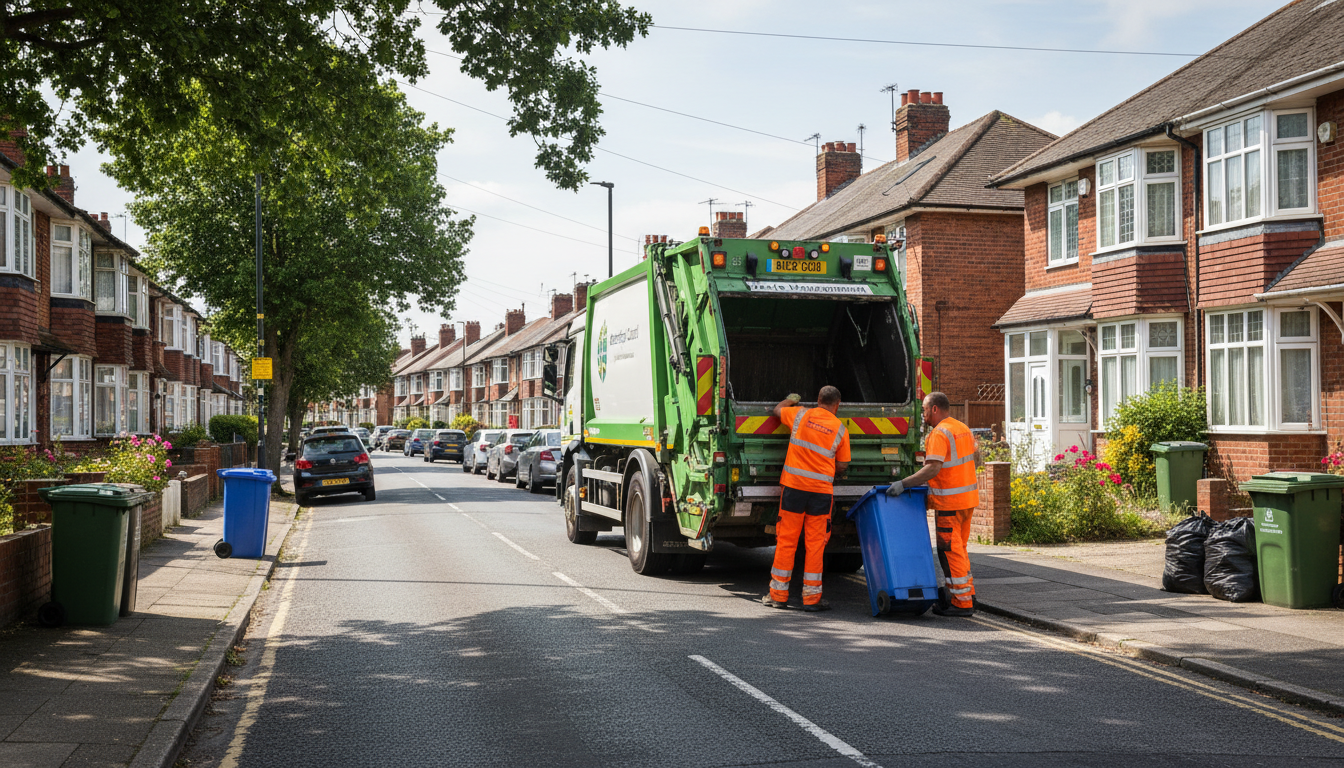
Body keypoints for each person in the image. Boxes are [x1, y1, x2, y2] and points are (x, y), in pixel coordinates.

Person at [888, 392, 981, 617]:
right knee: (959, 550)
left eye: (925, 410)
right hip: (967, 500)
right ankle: (966, 595)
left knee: (949, 551)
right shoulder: (962, 428)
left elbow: (932, 468)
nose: (924, 414)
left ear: (935, 409)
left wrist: (903, 484)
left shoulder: (939, 433)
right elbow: (976, 459)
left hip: (950, 502)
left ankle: (961, 602)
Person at [763, 386, 851, 612]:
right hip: (820, 493)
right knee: (815, 545)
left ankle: (778, 596)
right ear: (837, 404)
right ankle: (811, 599)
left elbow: (777, 410)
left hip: (794, 489)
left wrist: (789, 399)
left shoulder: (801, 414)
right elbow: (842, 465)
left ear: (818, 400)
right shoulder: (840, 429)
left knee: (787, 541)